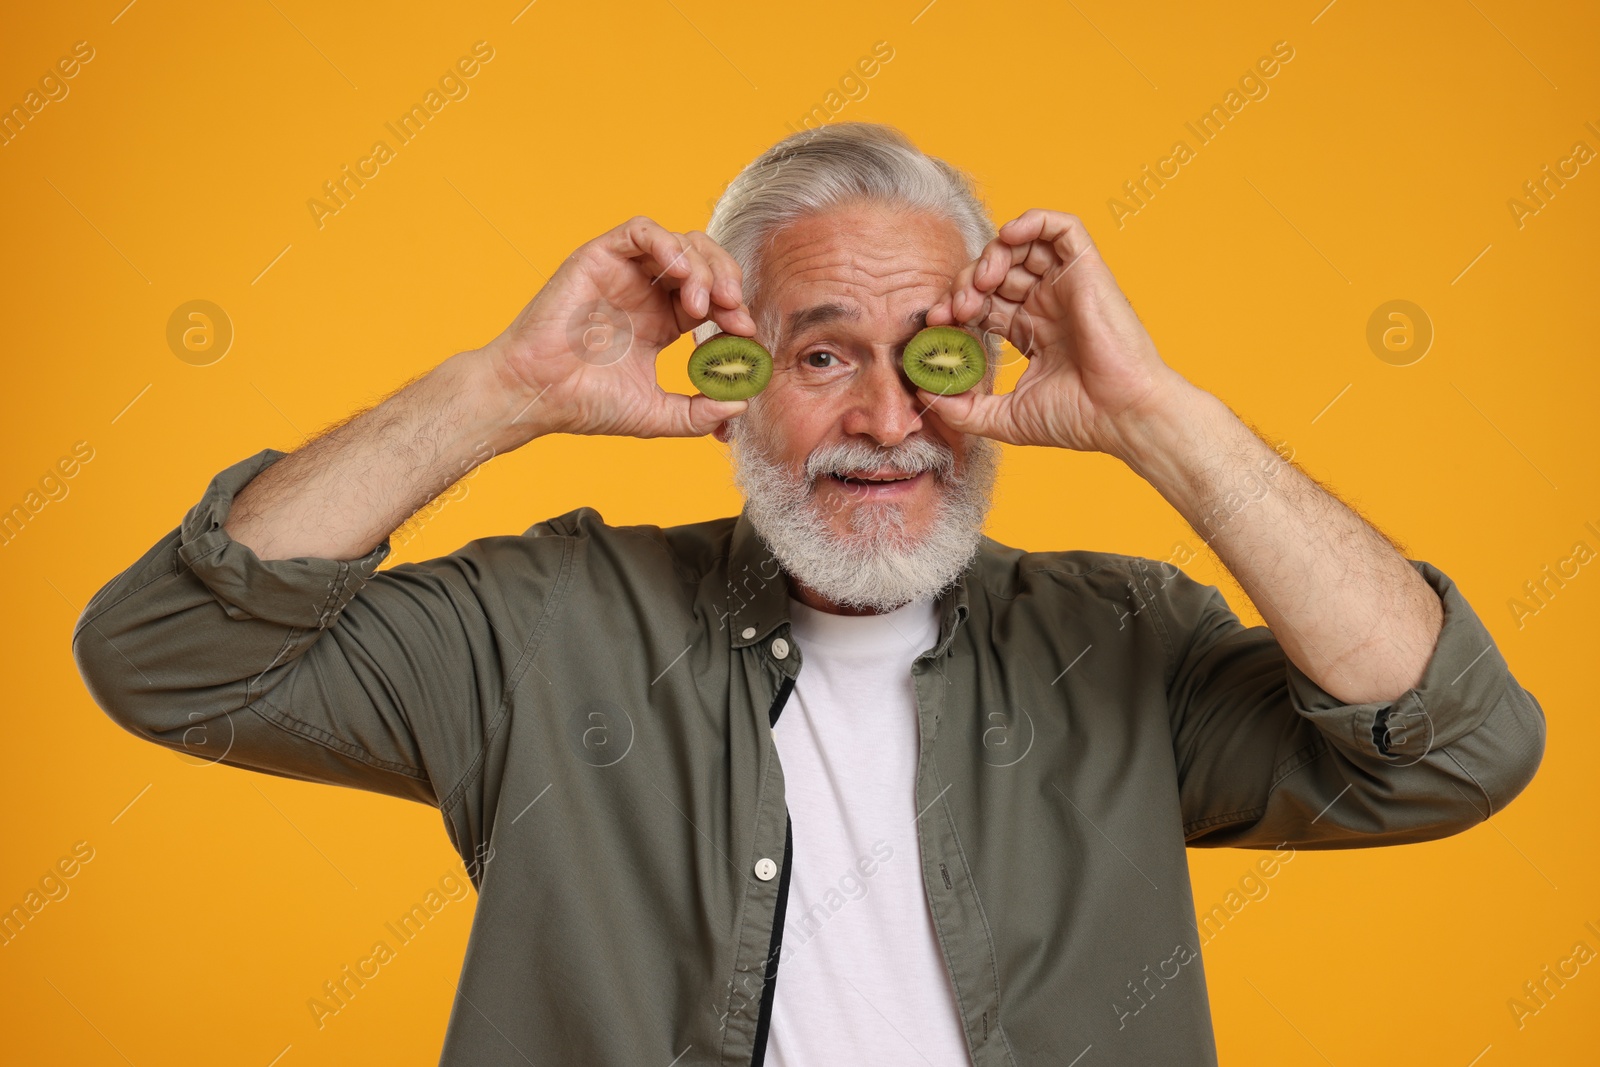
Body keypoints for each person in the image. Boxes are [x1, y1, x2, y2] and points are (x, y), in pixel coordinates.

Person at [72, 122, 1545, 1066]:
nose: (891, 423)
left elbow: (1456, 746)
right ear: (725, 381)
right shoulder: (545, 629)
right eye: (825, 355)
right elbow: (170, 655)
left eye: (939, 358)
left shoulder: (1125, 642)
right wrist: (500, 392)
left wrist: (1162, 417)